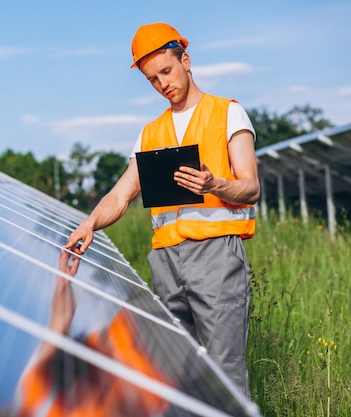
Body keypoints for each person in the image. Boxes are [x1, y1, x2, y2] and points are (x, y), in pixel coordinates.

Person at [64, 22, 260, 396]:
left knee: (224, 375)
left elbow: (250, 187)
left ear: (185, 60)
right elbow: (121, 195)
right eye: (152, 79)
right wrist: (90, 223)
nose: (162, 84)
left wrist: (213, 184)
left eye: (166, 72)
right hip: (166, 264)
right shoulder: (150, 134)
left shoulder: (228, 114)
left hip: (216, 258)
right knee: (176, 376)